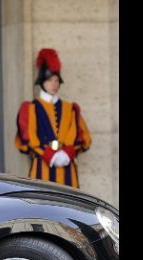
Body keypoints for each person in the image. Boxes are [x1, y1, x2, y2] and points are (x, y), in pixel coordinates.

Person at [14, 48, 92, 187]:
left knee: (70, 206)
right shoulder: (30, 108)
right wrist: (51, 155)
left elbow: (82, 138)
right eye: (50, 80)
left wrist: (68, 153)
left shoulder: (70, 108)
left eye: (56, 80)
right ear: (42, 81)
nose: (54, 84)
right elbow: (29, 139)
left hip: (68, 171)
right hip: (41, 171)